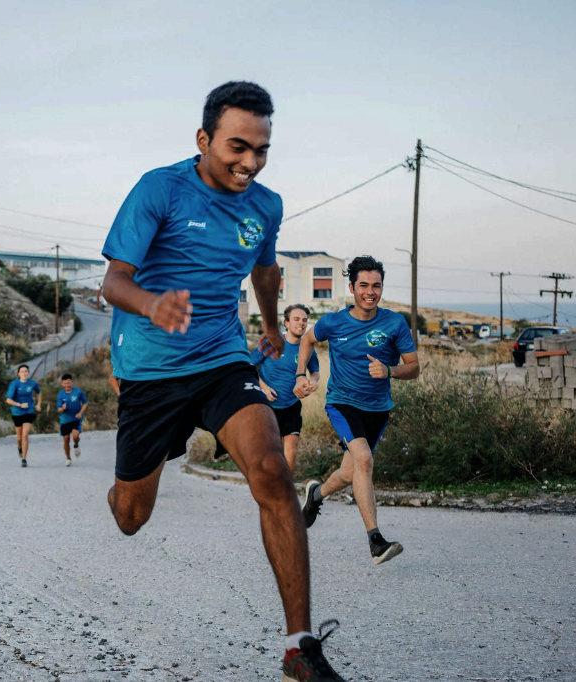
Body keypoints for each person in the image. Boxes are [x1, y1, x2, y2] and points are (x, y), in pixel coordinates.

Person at [102, 81, 346, 681]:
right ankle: (130, 476)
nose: (251, 162)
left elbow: (265, 271)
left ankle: (301, 650)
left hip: (220, 358)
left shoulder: (266, 205)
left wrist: (269, 325)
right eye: (239, 146)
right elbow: (113, 282)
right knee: (131, 517)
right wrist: (153, 305)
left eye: (262, 149)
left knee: (271, 470)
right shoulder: (159, 188)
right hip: (151, 371)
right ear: (204, 139)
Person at [296, 256, 420, 566]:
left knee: (351, 473)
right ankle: (376, 542)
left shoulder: (394, 323)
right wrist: (302, 375)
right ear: (352, 288)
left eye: (376, 286)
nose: (370, 292)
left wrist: (390, 371)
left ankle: (316, 495)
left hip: (377, 409)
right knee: (365, 460)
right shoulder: (334, 322)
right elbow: (307, 340)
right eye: (363, 285)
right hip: (342, 403)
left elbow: (414, 367)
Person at [251, 303, 321, 472]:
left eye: (304, 320)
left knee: (291, 451)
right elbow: (248, 366)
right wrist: (263, 387)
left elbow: (315, 372)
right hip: (268, 406)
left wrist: (313, 382)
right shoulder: (272, 342)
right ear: (286, 323)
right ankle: (267, 488)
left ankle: (286, 493)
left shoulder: (307, 348)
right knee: (269, 453)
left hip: (291, 405)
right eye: (296, 319)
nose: (301, 323)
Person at [6, 364, 41, 467]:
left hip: (29, 411)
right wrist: (20, 404)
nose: (24, 373)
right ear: (18, 374)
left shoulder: (32, 383)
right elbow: (8, 400)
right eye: (22, 371)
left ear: (28, 373)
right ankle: (19, 447)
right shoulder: (14, 384)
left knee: (25, 435)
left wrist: (38, 404)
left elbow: (39, 392)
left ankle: (24, 459)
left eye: (26, 371)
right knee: (19, 438)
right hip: (17, 412)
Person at [56, 373, 88, 466]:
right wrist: (62, 408)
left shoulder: (78, 392)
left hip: (76, 418)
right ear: (62, 383)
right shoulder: (60, 395)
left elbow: (85, 403)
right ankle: (68, 458)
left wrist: (80, 413)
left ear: (72, 382)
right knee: (66, 439)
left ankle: (76, 445)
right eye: (65, 383)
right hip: (65, 419)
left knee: (75, 436)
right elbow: (58, 409)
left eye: (68, 383)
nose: (67, 385)